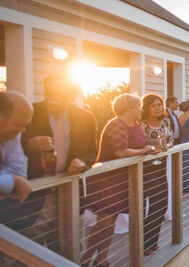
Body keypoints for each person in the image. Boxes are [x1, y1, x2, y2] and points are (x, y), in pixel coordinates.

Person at [19, 72, 97, 247]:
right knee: (29, 246)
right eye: (50, 93)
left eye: (59, 94)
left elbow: (91, 152)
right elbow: (10, 143)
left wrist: (82, 163)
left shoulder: (86, 118)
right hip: (34, 191)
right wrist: (29, 145)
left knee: (69, 245)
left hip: (68, 190)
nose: (52, 98)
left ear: (71, 96)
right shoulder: (31, 112)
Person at [81, 94, 158, 266]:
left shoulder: (136, 125)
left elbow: (140, 146)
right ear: (129, 108)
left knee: (111, 221)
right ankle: (85, 259)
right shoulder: (116, 124)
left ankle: (102, 259)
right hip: (108, 179)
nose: (141, 109)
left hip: (125, 178)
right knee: (105, 221)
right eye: (138, 106)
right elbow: (120, 151)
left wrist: (150, 149)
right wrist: (144, 150)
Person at [140, 94, 173, 255]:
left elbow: (172, 139)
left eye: (159, 105)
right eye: (154, 105)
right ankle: (144, 243)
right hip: (144, 168)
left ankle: (150, 240)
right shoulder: (141, 124)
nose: (158, 108)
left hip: (161, 166)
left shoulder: (166, 122)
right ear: (146, 107)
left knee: (161, 204)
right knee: (142, 205)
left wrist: (168, 145)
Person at [0, 91, 34, 229]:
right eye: (19, 124)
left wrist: (13, 180)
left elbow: (19, 170)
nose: (23, 130)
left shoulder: (12, 134)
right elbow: (16, 177)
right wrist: (12, 181)